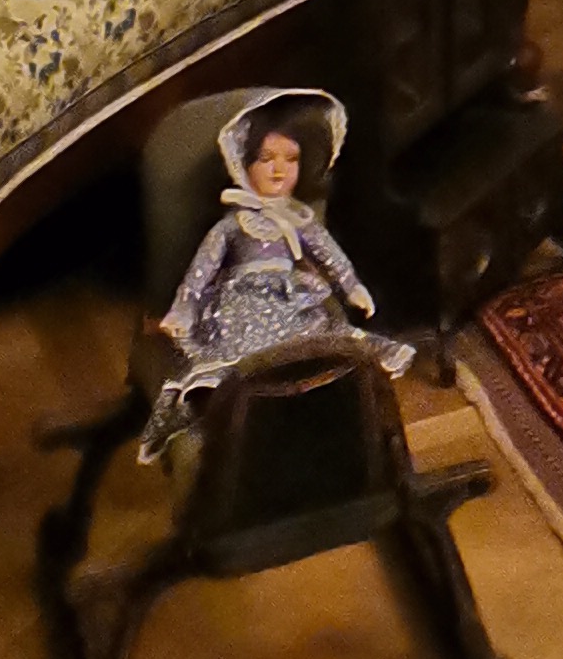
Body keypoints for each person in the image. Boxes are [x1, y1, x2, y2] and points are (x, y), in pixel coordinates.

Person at [145, 90, 408, 456]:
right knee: (238, 355)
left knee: (312, 342)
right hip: (242, 302)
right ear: (244, 164)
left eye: (291, 159)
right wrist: (183, 310)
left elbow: (329, 255)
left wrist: (352, 287)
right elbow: (201, 270)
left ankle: (299, 399)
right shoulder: (233, 225)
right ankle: (245, 408)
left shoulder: (299, 219)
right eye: (266, 159)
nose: (279, 170)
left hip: (288, 297)